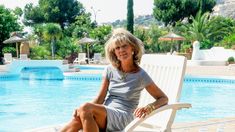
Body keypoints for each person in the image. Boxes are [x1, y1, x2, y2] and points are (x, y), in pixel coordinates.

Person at [61, 28, 168, 132]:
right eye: (117, 48)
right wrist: (82, 110)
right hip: (105, 112)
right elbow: (100, 99)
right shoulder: (109, 70)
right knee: (78, 119)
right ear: (114, 52)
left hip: (124, 117)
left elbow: (163, 98)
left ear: (133, 48)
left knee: (85, 108)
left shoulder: (140, 75)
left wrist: (149, 107)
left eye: (124, 46)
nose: (121, 50)